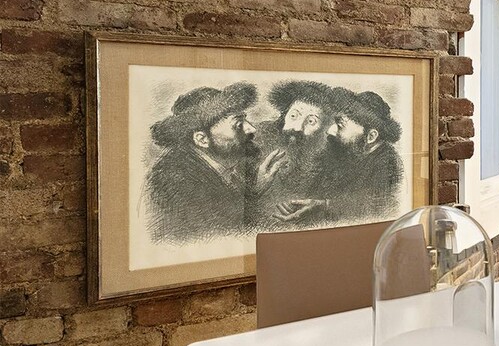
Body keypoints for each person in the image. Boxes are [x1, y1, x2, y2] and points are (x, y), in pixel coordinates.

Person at [142, 83, 259, 242]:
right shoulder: (174, 182)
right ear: (202, 139)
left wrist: (254, 191)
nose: (251, 129)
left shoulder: (222, 166)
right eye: (238, 125)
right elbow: (224, 234)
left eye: (245, 120)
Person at [258, 80, 337, 225]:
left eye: (311, 121)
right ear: (284, 115)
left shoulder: (330, 154)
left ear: (324, 128)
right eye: (293, 116)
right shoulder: (258, 138)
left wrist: (320, 206)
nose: (298, 127)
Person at [321, 89, 404, 219]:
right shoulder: (356, 154)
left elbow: (371, 212)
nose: (330, 131)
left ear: (371, 136)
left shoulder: (387, 166)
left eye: (340, 125)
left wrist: (323, 205)